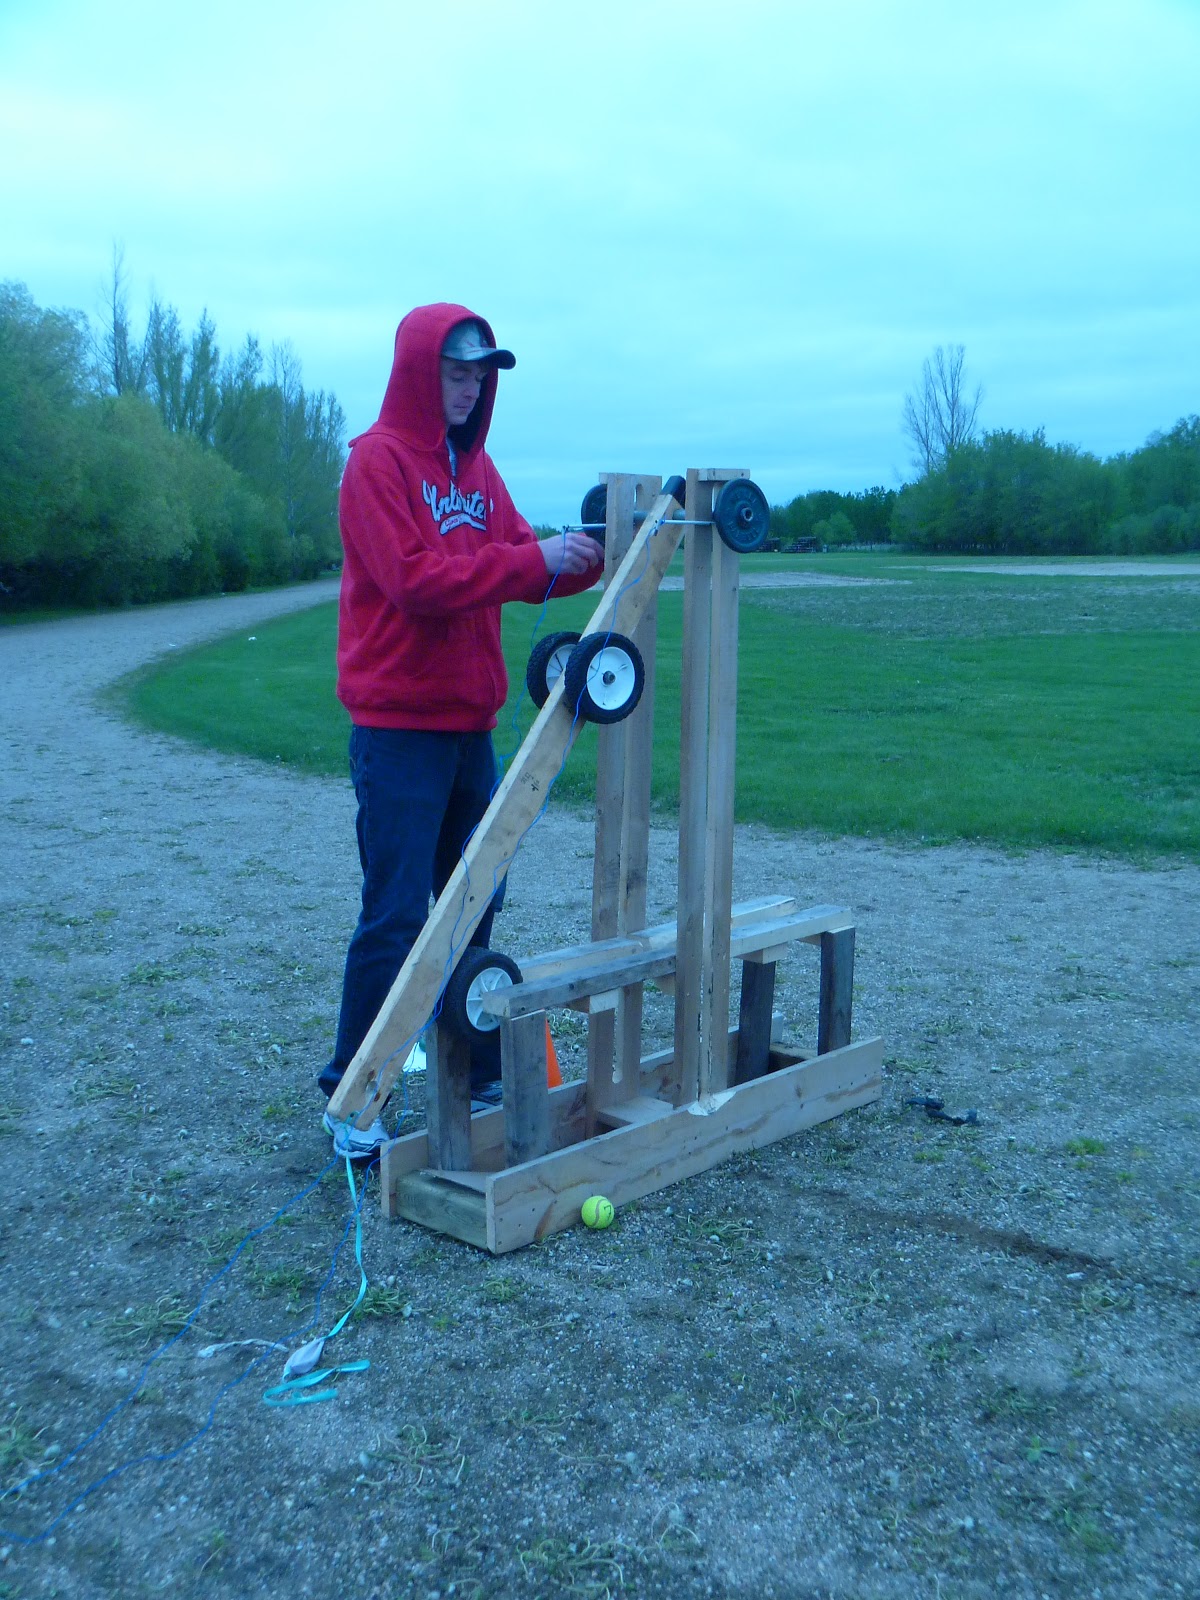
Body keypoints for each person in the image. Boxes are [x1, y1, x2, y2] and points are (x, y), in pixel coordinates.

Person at [319, 303, 603, 1158]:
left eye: (481, 373)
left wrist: (589, 552)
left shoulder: (478, 471)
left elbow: (519, 558)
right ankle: (351, 1092)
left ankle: (469, 1061)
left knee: (477, 898)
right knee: (397, 911)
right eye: (456, 370)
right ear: (419, 370)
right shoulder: (376, 464)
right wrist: (531, 561)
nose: (470, 385)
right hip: (397, 727)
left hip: (468, 724)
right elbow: (414, 580)